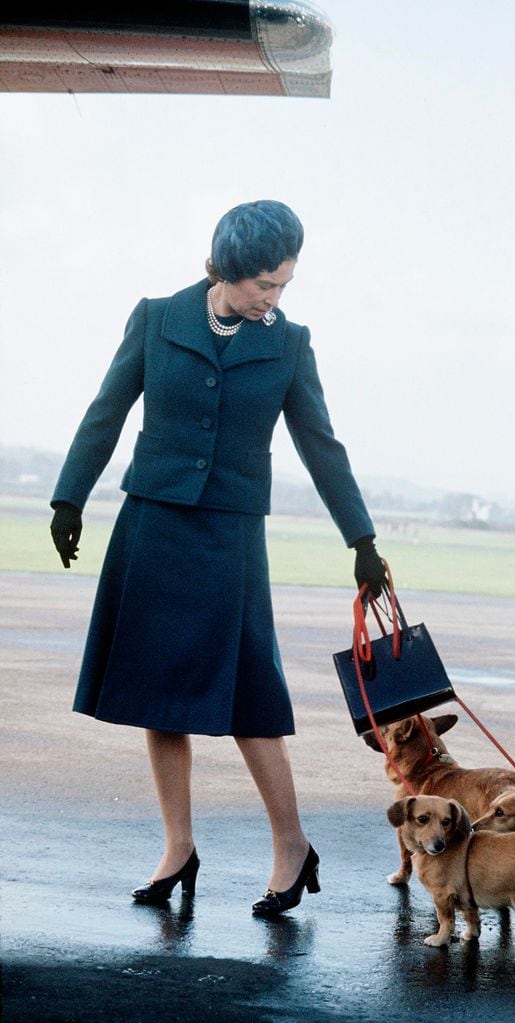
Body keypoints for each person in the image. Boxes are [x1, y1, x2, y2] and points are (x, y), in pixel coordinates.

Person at [50, 199, 387, 915]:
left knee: (250, 699)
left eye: (284, 285)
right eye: (264, 284)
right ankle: (178, 846)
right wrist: (68, 497)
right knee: (156, 693)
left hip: (231, 537)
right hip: (153, 523)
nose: (274, 298)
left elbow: (320, 444)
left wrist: (362, 539)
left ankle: (292, 844)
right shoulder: (156, 317)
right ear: (225, 269)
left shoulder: (290, 344)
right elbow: (105, 410)